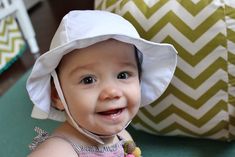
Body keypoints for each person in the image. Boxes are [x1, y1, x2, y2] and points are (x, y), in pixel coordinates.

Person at [26, 10, 177, 157]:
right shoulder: (58, 152)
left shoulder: (123, 136)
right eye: (88, 80)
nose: (112, 92)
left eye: (122, 75)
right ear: (57, 96)